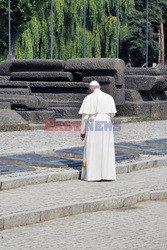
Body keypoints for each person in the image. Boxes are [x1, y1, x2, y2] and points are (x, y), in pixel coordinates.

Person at [79, 80, 117, 181]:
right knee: (106, 148)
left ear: (91, 88)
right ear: (99, 87)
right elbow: (112, 114)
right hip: (106, 123)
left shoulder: (88, 98)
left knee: (93, 148)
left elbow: (85, 117)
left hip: (94, 123)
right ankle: (107, 174)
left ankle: (93, 175)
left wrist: (82, 132)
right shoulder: (109, 97)